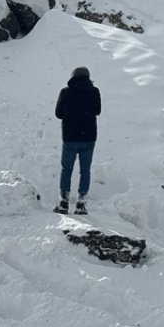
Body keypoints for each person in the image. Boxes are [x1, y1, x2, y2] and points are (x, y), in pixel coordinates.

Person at [54, 66, 101, 215]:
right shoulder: (94, 92)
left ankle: (64, 202)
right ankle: (81, 203)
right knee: (85, 170)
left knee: (66, 169)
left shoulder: (65, 92)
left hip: (70, 137)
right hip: (88, 137)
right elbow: (98, 111)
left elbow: (58, 114)